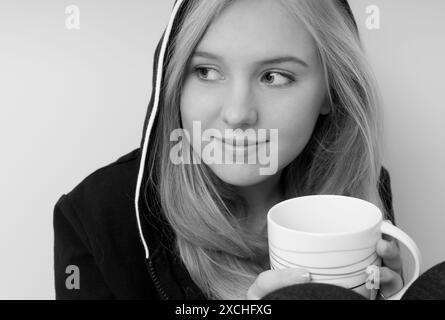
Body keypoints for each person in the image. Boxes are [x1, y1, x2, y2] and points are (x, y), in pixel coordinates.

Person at [54, 0, 410, 300]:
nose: (238, 113)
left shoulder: (361, 191)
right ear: (175, 80)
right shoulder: (96, 216)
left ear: (332, 92)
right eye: (207, 71)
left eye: (274, 76)